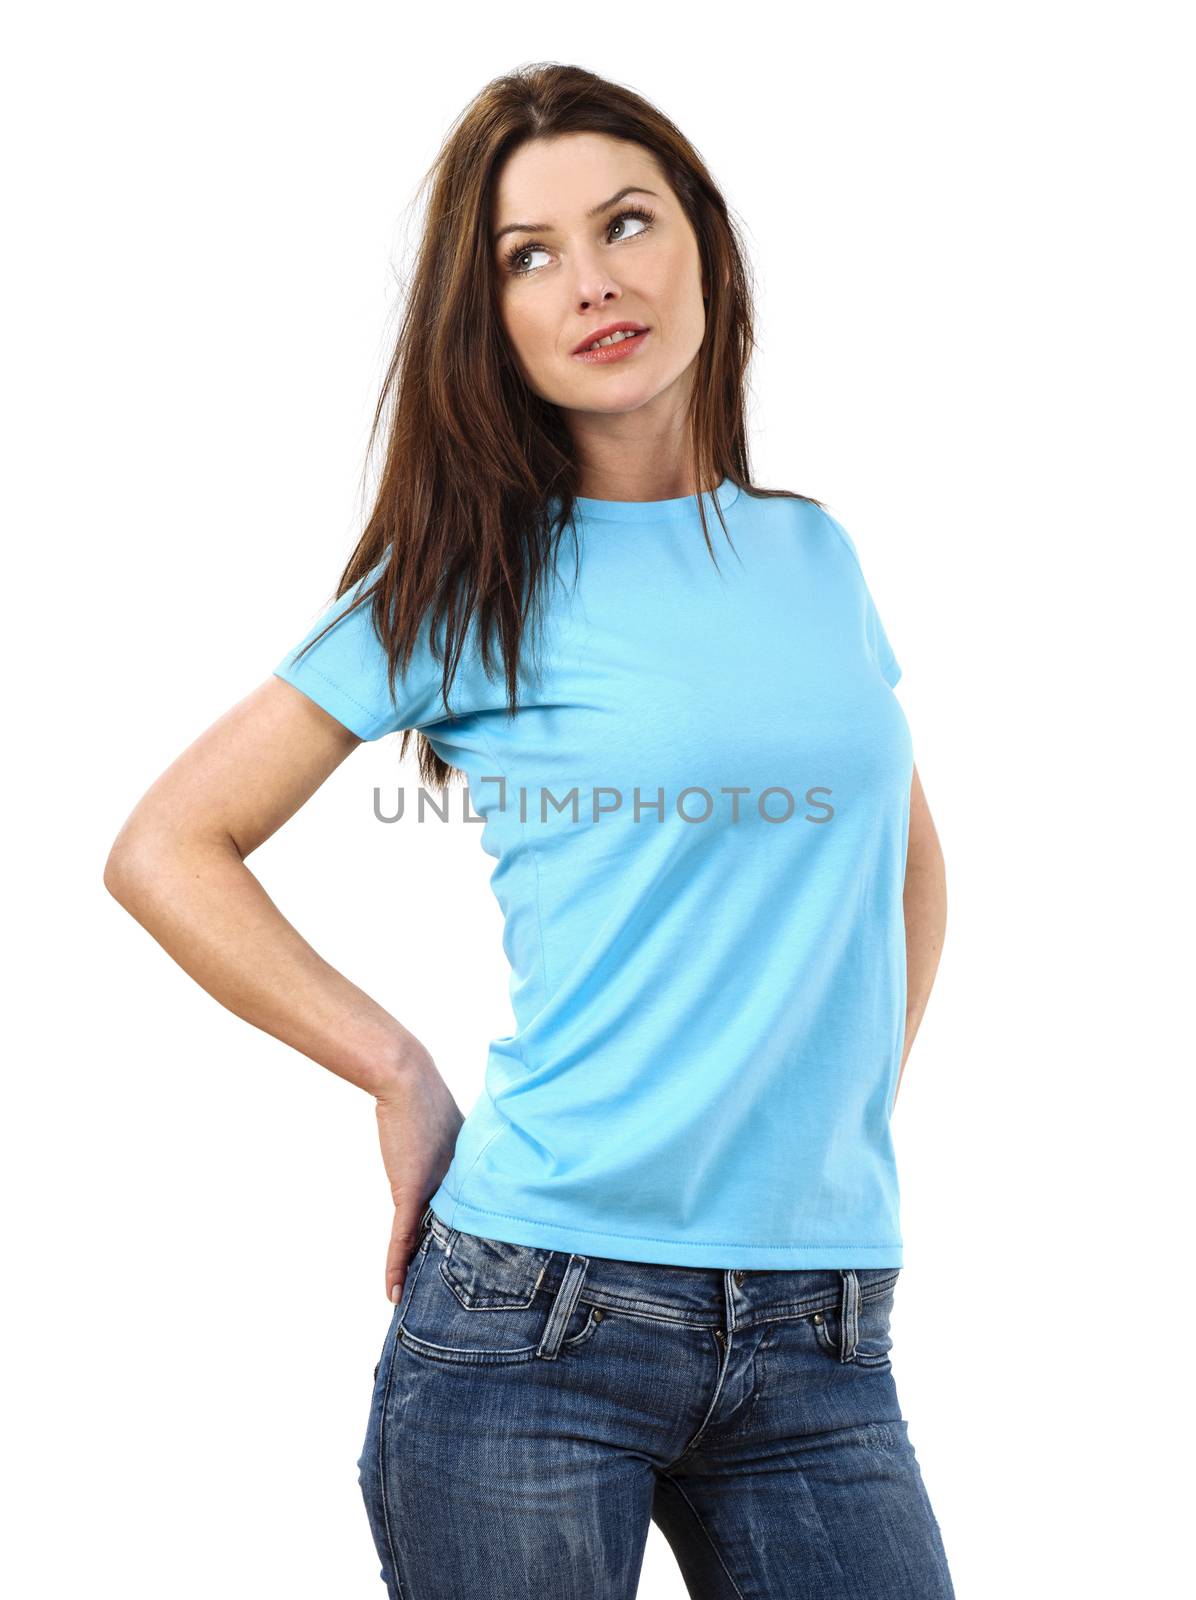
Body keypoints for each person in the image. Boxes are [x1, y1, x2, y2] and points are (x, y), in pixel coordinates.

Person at [104, 61, 955, 1600]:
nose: (594, 280)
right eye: (529, 255)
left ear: (702, 238)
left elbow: (906, 860)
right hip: (536, 1325)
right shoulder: (462, 587)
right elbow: (168, 847)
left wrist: (818, 1118)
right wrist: (395, 1067)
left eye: (627, 222)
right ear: (486, 314)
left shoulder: (812, 553)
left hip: (824, 1336)